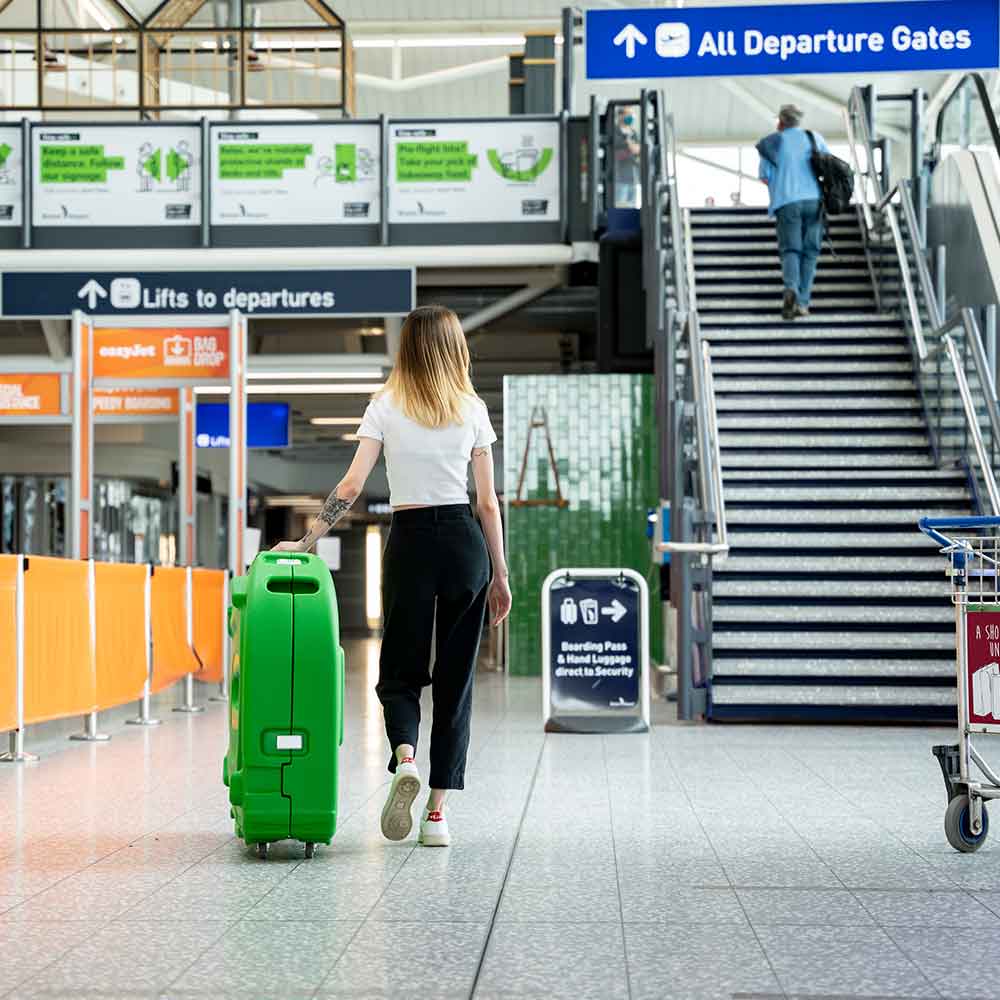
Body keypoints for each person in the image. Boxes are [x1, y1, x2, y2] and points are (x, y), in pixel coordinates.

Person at [271, 305, 512, 848]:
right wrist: (500, 574)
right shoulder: (471, 408)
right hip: (463, 544)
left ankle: (405, 755)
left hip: (407, 541)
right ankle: (436, 815)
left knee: (399, 668)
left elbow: (352, 485)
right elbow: (488, 503)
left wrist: (307, 541)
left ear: (406, 348)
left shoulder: (385, 404)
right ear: (455, 349)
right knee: (456, 682)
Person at [757, 104, 829, 320]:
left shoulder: (773, 142)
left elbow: (764, 176)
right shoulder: (815, 138)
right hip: (814, 201)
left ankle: (791, 289)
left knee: (791, 250)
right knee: (810, 252)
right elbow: (829, 165)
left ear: (780, 121)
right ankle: (803, 303)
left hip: (787, 202)